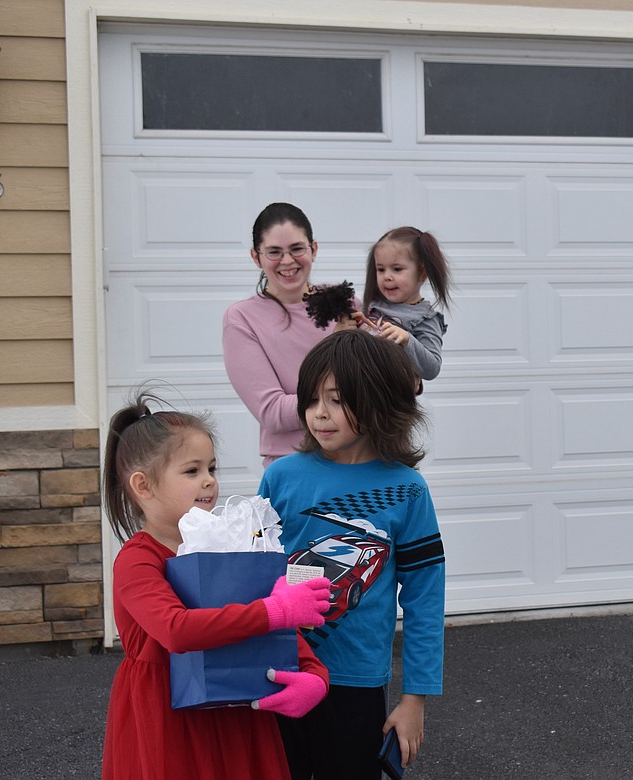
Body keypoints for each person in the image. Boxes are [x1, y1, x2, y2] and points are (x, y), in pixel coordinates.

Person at [100, 391, 331, 780]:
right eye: (192, 471)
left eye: (211, 468)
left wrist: (314, 676)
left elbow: (279, 630)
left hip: (238, 708)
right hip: (168, 718)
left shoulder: (231, 545)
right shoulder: (138, 560)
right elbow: (177, 630)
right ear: (143, 486)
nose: (209, 481)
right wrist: (273, 611)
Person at [259, 329, 446, 779]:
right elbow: (253, 574)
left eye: (338, 400)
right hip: (279, 671)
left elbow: (424, 597)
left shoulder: (407, 490)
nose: (319, 414)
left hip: (356, 682)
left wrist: (414, 699)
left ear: (380, 400)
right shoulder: (281, 477)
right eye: (311, 399)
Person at [224, 203, 346, 466]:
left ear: (314, 249)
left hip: (359, 459)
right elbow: (273, 413)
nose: (288, 261)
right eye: (274, 252)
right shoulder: (243, 319)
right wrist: (347, 396)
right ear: (256, 257)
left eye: (297, 249)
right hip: (295, 465)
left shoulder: (346, 305)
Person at [358, 226, 451, 381]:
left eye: (397, 269)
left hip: (390, 401)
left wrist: (407, 340)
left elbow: (432, 369)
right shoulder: (369, 306)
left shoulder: (425, 318)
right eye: (381, 269)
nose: (387, 276)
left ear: (421, 273)